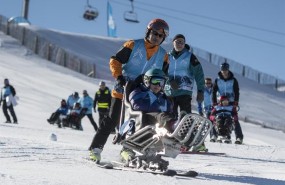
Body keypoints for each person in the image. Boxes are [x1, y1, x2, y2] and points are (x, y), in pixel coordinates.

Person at [89, 18, 170, 163]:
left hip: (144, 94)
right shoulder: (134, 45)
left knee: (137, 122)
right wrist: (119, 76)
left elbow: (163, 75)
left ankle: (127, 150)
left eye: (160, 36)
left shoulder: (163, 55)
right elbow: (115, 60)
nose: (157, 37)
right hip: (124, 89)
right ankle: (95, 149)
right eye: (155, 33)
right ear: (148, 31)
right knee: (112, 119)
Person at [122, 69, 178, 161]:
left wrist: (171, 111)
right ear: (147, 81)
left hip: (158, 124)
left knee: (168, 117)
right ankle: (173, 125)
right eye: (155, 81)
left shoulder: (163, 97)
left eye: (161, 82)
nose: (158, 85)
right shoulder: (139, 92)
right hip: (142, 121)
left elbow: (169, 109)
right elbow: (136, 105)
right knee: (161, 116)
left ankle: (179, 130)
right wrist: (158, 109)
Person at [165, 34, 206, 152]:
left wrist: (200, 91)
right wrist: (170, 80)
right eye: (177, 41)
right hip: (169, 92)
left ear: (184, 44)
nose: (179, 44)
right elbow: (161, 70)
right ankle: (170, 141)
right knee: (169, 117)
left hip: (184, 92)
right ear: (173, 42)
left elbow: (199, 74)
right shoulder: (167, 57)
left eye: (182, 42)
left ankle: (191, 142)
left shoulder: (190, 57)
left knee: (185, 118)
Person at [212, 62, 244, 144]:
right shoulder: (217, 80)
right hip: (221, 101)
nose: (224, 71)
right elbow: (214, 91)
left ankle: (239, 137)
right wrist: (214, 102)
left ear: (228, 70)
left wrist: (236, 101)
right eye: (223, 70)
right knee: (217, 118)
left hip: (231, 101)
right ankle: (215, 135)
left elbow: (237, 91)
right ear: (221, 70)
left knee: (234, 119)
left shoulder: (233, 80)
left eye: (225, 70)